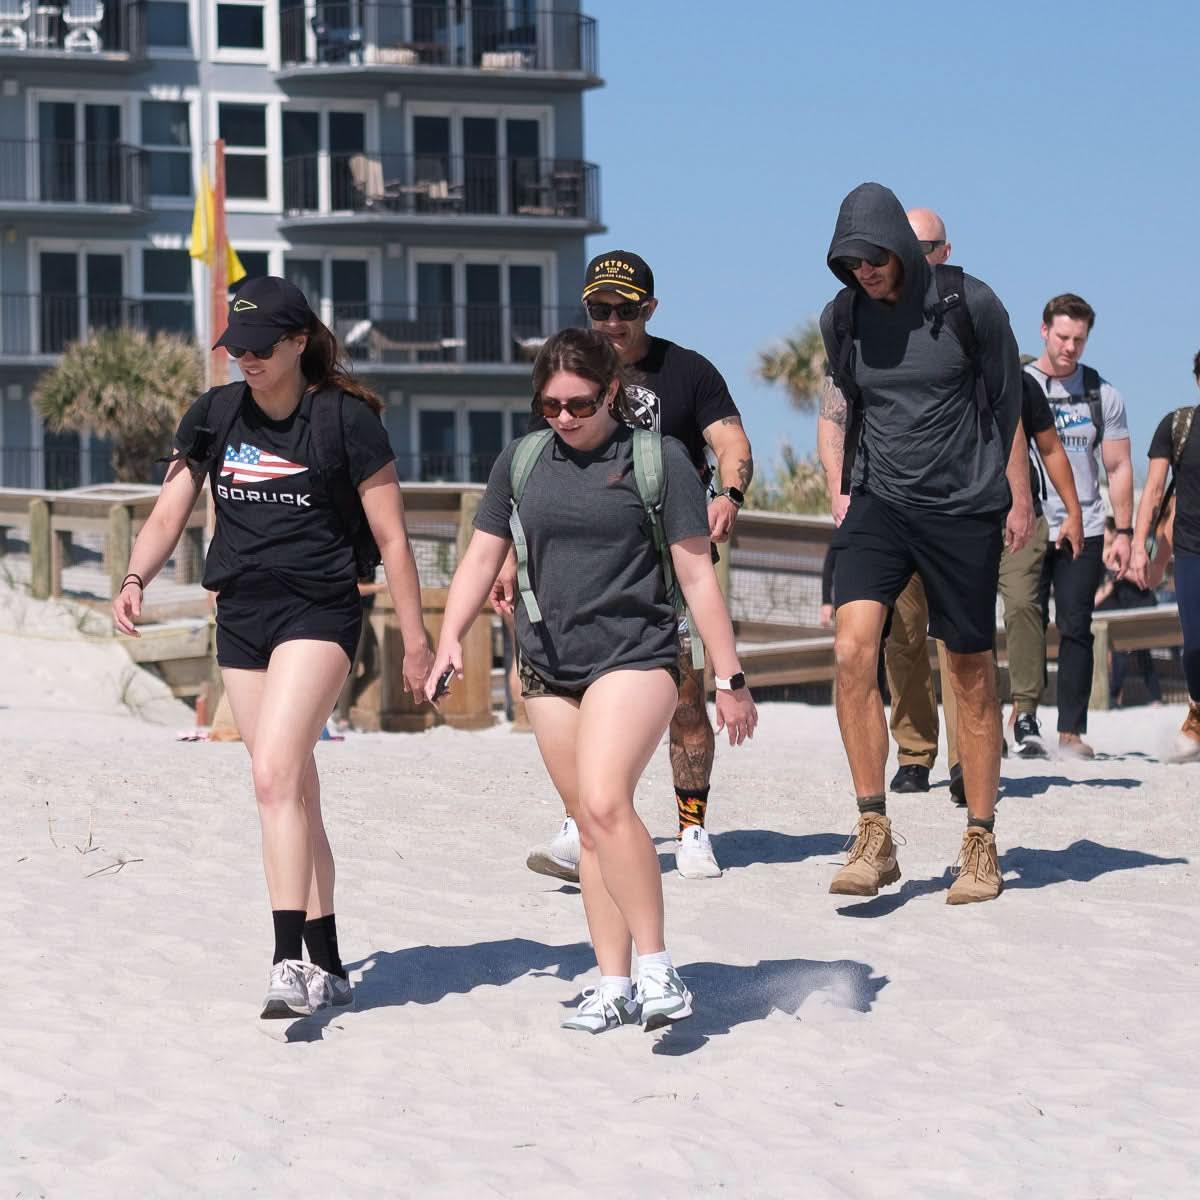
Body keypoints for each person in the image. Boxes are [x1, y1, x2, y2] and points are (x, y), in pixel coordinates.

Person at [112, 276, 432, 1019]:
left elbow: (393, 538)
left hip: (320, 612)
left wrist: (415, 642)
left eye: (260, 347)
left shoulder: (345, 422)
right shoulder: (214, 416)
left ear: (296, 343)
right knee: (294, 789)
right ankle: (328, 958)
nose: (246, 360)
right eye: (236, 348)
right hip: (244, 618)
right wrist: (136, 576)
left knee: (272, 777)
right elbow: (169, 513)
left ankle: (287, 958)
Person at [427, 328, 756, 1033]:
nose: (564, 419)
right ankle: (612, 982)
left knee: (607, 802)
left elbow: (697, 575)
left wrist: (730, 675)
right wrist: (451, 637)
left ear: (610, 392)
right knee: (593, 823)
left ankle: (658, 969)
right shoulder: (521, 461)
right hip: (548, 666)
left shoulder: (657, 459)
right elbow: (482, 556)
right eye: (548, 406)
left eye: (577, 405)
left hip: (638, 655)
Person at [514, 251, 753, 882]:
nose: (612, 322)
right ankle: (579, 819)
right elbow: (530, 476)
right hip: (581, 567)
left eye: (625, 310)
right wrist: (509, 562)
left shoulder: (688, 370)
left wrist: (728, 495)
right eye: (599, 309)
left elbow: (730, 440)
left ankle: (692, 826)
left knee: (686, 696)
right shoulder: (567, 375)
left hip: (669, 562)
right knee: (574, 691)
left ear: (650, 309)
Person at [817, 182, 1021, 905]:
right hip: (879, 502)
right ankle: (874, 830)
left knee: (968, 669)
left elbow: (1005, 401)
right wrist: (844, 488)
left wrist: (1001, 492)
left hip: (962, 509)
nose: (863, 273)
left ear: (900, 248)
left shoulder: (972, 304)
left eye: (872, 259)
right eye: (849, 263)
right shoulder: (841, 317)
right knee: (851, 649)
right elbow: (851, 405)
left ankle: (981, 838)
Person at [879, 208, 1035, 796]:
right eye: (905, 247)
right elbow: (840, 411)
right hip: (895, 502)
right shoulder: (873, 321)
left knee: (964, 637)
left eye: (926, 247)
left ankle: (969, 757)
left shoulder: (972, 315)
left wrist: (1019, 499)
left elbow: (1010, 417)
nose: (914, 258)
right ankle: (915, 751)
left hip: (965, 503)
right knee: (904, 632)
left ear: (945, 252)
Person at [1023, 295, 1135, 759]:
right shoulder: (1020, 384)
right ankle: (1022, 717)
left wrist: (1124, 532)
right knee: (1023, 617)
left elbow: (1120, 465)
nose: (1070, 347)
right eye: (1063, 337)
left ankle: (1070, 731)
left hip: (1083, 525)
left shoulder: (1102, 394)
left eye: (1079, 340)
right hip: (1025, 523)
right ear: (1044, 331)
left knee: (1075, 625)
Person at [1129, 354, 1200, 758]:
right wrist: (1141, 545)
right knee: (1194, 647)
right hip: (1192, 549)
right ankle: (1198, 711)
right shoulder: (1177, 427)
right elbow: (1154, 490)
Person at [1095, 519, 1162, 706]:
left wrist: (1121, 570)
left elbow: (1145, 581)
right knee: (1120, 651)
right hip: (1121, 610)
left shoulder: (1132, 553)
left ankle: (1155, 696)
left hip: (1140, 606)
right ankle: (1114, 696)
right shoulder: (1102, 558)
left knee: (1142, 651)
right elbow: (1103, 591)